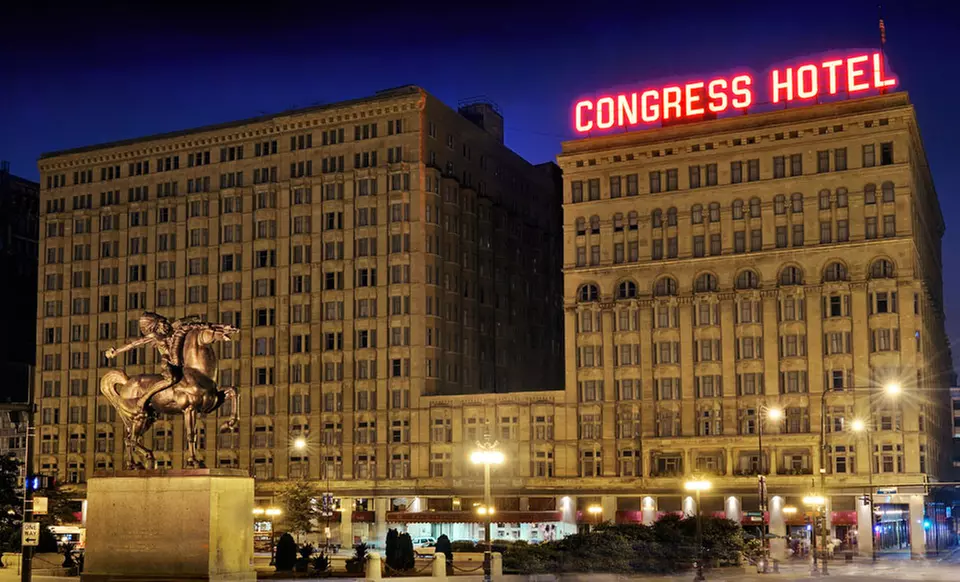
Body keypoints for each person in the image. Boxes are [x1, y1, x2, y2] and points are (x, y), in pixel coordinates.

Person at [105, 312, 198, 417]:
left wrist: (194, 319)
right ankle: (145, 398)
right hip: (168, 361)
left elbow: (187, 320)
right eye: (162, 323)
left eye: (165, 322)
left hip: (181, 361)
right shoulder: (154, 336)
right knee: (170, 379)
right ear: (156, 326)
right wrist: (116, 351)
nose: (166, 324)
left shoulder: (173, 328)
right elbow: (134, 344)